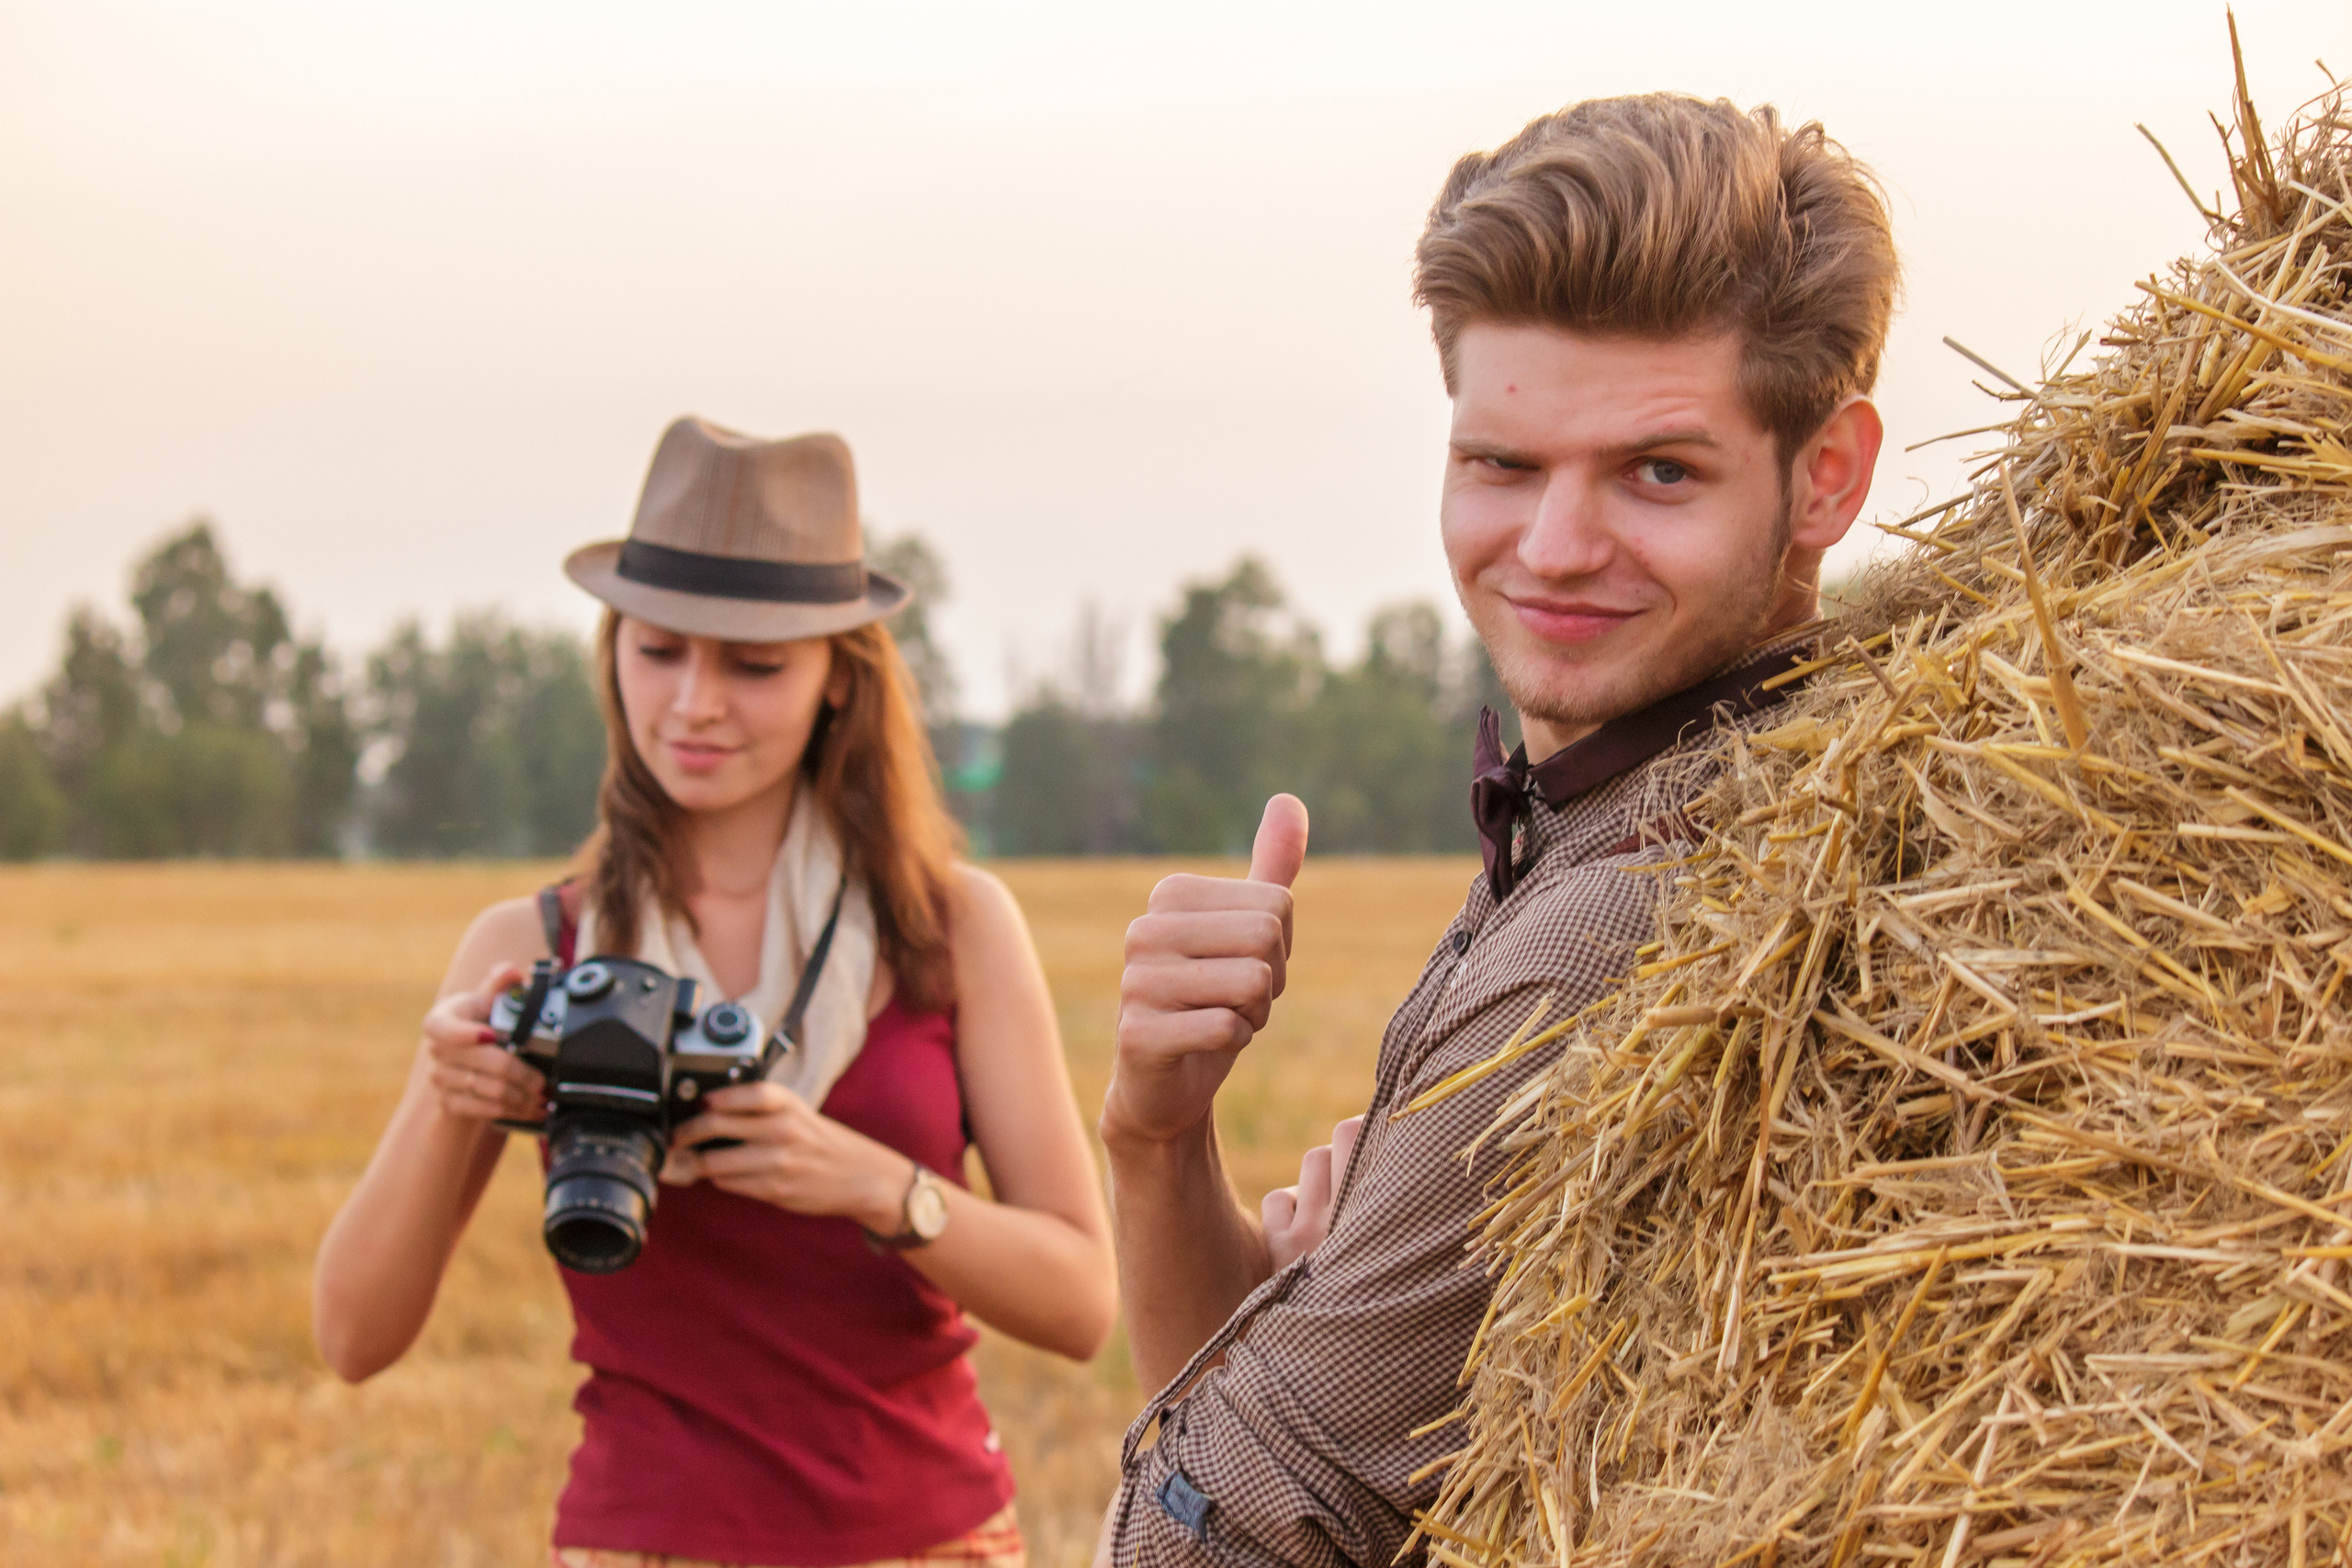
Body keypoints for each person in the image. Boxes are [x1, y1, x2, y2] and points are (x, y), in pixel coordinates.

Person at [1097, 95, 1898, 1566]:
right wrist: (1162, 1135)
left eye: (1659, 471)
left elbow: (1236, 1522)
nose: (1553, 549)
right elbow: (1275, 1444)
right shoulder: (1617, 812)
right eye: (1503, 465)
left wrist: (1288, 1354)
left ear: (1827, 474)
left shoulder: (1629, 914)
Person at [314, 418, 1116, 1568]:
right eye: (659, 652)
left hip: (927, 1543)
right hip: (640, 1544)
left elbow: (1083, 1303)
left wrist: (870, 1184)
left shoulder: (953, 929)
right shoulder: (533, 946)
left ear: (839, 683)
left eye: (753, 666)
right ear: (612, 653)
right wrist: (452, 1094)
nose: (694, 703)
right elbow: (352, 1337)